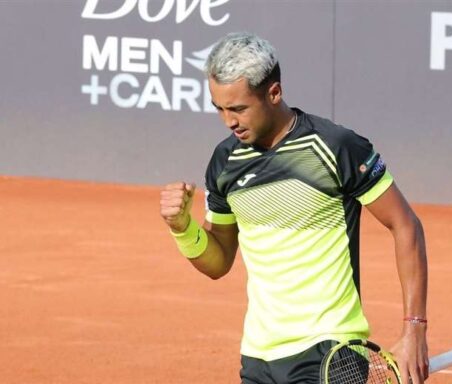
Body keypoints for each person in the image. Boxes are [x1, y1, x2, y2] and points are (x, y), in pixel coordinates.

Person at [160, 32, 428, 384]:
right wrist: (183, 229)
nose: (229, 121)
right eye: (220, 108)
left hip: (330, 351)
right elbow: (219, 261)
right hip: (259, 355)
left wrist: (414, 331)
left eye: (238, 108)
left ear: (274, 93)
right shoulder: (226, 160)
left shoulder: (336, 147)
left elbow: (405, 224)